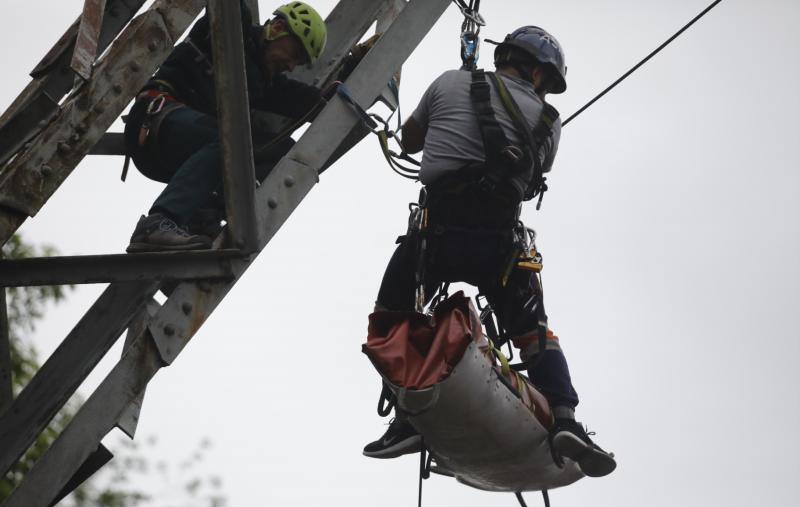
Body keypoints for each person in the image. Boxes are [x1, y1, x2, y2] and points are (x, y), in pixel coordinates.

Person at [362, 26, 616, 478]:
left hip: (436, 236)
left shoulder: (449, 82)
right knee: (534, 333)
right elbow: (533, 172)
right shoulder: (549, 123)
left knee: (391, 317)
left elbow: (410, 141)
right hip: (498, 246)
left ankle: (408, 419)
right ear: (538, 73)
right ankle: (565, 417)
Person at [124, 1, 342, 252]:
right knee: (235, 143)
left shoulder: (263, 81)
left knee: (281, 151)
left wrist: (347, 81)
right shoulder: (230, 28)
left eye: (300, 62)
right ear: (277, 28)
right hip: (156, 119)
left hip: (180, 148)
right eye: (294, 54)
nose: (292, 66)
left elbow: (308, 102)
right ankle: (158, 223)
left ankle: (200, 222)